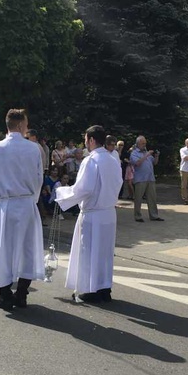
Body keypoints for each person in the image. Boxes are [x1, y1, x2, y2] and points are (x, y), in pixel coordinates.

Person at [0, 109, 44, 310]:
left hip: (7, 203)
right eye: (26, 124)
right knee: (27, 249)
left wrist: (1, 183)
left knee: (3, 249)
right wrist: (32, 195)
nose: (27, 127)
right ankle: (22, 295)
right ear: (19, 125)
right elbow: (39, 177)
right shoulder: (33, 148)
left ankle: (5, 294)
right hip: (26, 203)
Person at [55, 125, 123, 303]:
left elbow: (83, 189)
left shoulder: (91, 160)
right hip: (108, 213)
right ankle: (104, 288)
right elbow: (118, 184)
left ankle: (90, 289)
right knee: (105, 253)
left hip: (93, 214)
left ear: (92, 140)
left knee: (89, 252)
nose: (85, 142)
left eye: (86, 139)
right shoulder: (112, 159)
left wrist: (61, 194)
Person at [130, 136, 163, 222]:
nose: (144, 145)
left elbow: (154, 163)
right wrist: (147, 155)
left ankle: (154, 215)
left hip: (150, 178)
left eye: (145, 143)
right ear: (138, 144)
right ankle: (137, 216)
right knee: (138, 198)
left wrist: (156, 156)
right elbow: (137, 163)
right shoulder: (134, 153)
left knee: (152, 198)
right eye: (142, 143)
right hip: (140, 179)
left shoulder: (147, 152)